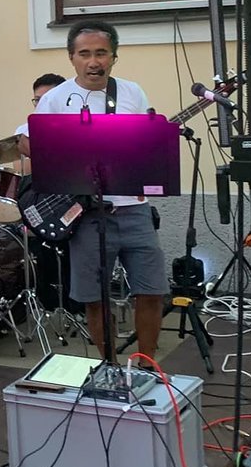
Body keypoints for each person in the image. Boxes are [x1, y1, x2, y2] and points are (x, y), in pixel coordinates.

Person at [23, 20, 166, 362]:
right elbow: (36, 149)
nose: (93, 61)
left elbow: (146, 144)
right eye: (84, 53)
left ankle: (147, 364)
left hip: (134, 207)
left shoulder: (132, 92)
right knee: (94, 296)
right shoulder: (54, 99)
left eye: (101, 53)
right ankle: (109, 365)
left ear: (114, 57)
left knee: (152, 289)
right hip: (86, 214)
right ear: (71, 58)